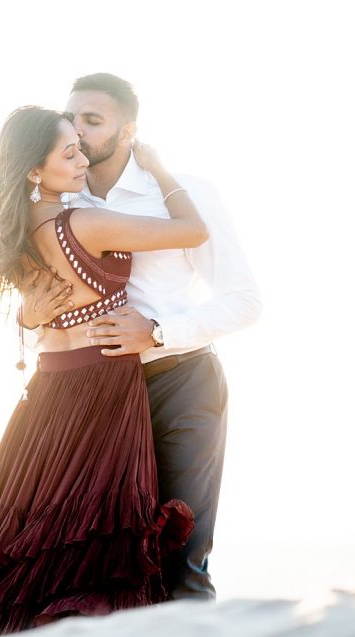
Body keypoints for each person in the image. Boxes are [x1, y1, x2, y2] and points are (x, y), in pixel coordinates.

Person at [0, 107, 206, 637]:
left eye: (80, 145)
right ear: (33, 170)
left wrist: (29, 312)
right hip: (100, 390)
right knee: (94, 533)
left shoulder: (13, 230)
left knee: (31, 530)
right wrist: (162, 172)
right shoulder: (84, 224)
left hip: (47, 393)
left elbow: (32, 310)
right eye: (68, 152)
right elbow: (193, 230)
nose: (81, 157)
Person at [52, 73, 262, 601]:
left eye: (93, 120)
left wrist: (158, 333)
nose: (76, 130)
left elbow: (244, 301)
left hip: (181, 383)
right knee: (97, 563)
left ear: (130, 131)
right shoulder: (51, 201)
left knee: (179, 553)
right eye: (71, 117)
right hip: (94, 396)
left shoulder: (184, 195)